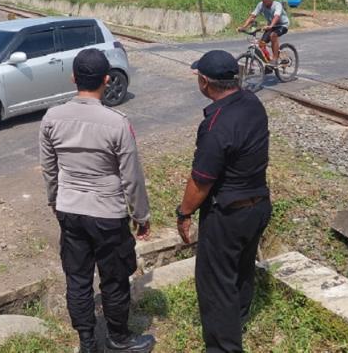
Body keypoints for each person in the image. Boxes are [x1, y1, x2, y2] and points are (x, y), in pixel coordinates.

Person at [40, 48, 155, 353]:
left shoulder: (52, 118)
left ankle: (87, 343)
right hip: (107, 213)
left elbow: (49, 168)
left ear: (74, 78)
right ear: (106, 79)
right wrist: (140, 215)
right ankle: (117, 338)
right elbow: (131, 175)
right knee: (114, 277)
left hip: (69, 209)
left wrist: (55, 201)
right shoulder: (116, 122)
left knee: (77, 279)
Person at [176, 50, 273, 353]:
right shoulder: (253, 103)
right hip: (257, 206)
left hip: (228, 215)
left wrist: (184, 212)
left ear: (204, 82)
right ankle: (238, 319)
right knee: (242, 270)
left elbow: (201, 181)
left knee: (215, 285)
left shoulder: (215, 125)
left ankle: (223, 346)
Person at [238, 0, 289, 66]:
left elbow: (277, 16)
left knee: (273, 35)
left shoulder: (277, 5)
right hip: (270, 26)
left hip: (282, 25)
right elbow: (252, 16)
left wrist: (271, 26)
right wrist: (243, 27)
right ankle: (268, 64)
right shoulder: (261, 5)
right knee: (261, 45)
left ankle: (275, 59)